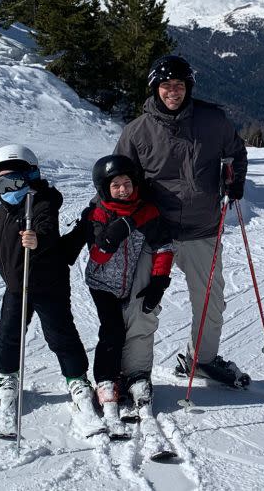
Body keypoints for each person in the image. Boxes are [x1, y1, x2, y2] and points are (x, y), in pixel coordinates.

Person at [114, 54, 250, 388]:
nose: (172, 92)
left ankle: (201, 360)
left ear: (187, 87)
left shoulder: (212, 121)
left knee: (210, 304)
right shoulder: (137, 132)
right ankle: (136, 372)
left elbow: (236, 152)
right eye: (165, 86)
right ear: (154, 89)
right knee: (143, 303)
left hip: (202, 229)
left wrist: (235, 181)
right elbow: (117, 180)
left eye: (178, 85)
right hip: (155, 232)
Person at [0, 144, 105, 438]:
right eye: (2, 183)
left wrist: (38, 240)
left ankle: (77, 381)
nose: (10, 188)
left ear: (32, 175)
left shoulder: (43, 202)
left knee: (61, 335)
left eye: (16, 181)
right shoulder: (6, 207)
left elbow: (46, 228)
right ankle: (6, 379)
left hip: (49, 285)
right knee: (8, 333)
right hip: (16, 286)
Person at [79, 154, 175, 432]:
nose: (123, 190)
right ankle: (105, 380)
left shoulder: (147, 211)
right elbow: (98, 252)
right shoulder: (98, 213)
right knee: (112, 330)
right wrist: (116, 230)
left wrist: (159, 281)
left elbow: (164, 246)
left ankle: (128, 374)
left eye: (127, 184)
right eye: (116, 185)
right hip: (101, 284)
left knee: (132, 324)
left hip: (127, 284)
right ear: (104, 189)